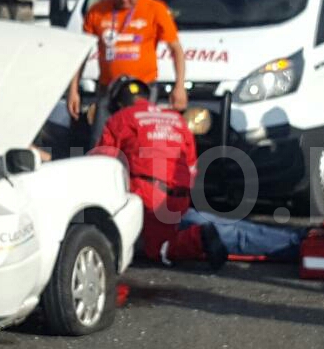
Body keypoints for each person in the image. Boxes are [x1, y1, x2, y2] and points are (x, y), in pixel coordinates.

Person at [91, 76, 305, 268]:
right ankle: (296, 240)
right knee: (228, 227)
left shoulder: (120, 119)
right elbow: (192, 169)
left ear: (118, 103)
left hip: (149, 198)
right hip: (179, 198)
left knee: (159, 249)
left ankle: (198, 237)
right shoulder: (175, 119)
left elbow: (102, 167)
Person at [68, 0, 186, 148]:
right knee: (101, 142)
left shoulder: (155, 9)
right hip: (109, 90)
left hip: (143, 90)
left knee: (140, 142)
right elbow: (81, 53)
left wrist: (179, 86)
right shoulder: (97, 12)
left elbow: (176, 50)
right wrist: (73, 90)